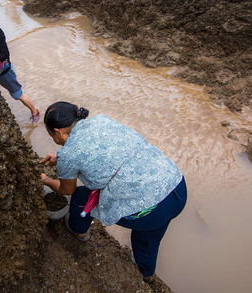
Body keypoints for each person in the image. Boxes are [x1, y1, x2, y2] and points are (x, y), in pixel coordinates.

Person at [39, 102, 187, 279]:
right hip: (175, 185)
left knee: (80, 195)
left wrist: (46, 179)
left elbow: (66, 189)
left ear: (57, 131)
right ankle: (145, 272)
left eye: (51, 135)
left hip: (151, 210)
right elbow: (107, 152)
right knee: (148, 237)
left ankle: (78, 231)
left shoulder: (68, 155)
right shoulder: (101, 120)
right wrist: (61, 160)